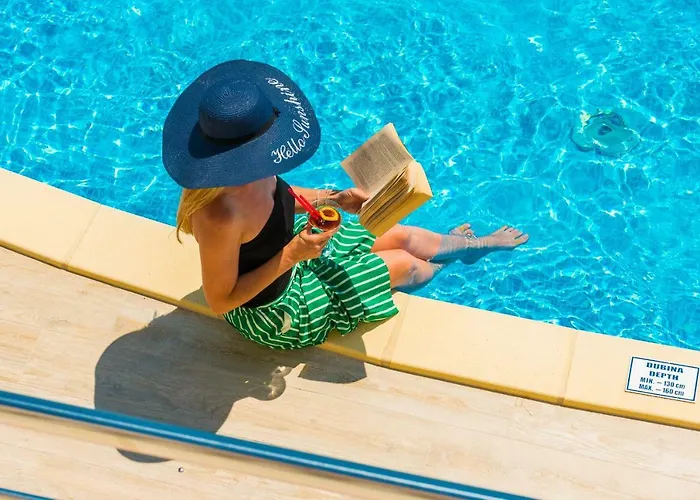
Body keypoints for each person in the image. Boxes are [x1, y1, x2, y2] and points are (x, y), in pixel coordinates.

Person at [162, 60, 528, 350]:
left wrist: (335, 197)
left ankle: (469, 248)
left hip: (293, 256)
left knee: (402, 235)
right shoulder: (220, 216)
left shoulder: (250, 170)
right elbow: (221, 301)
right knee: (407, 265)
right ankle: (447, 263)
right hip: (277, 308)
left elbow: (279, 196)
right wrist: (292, 255)